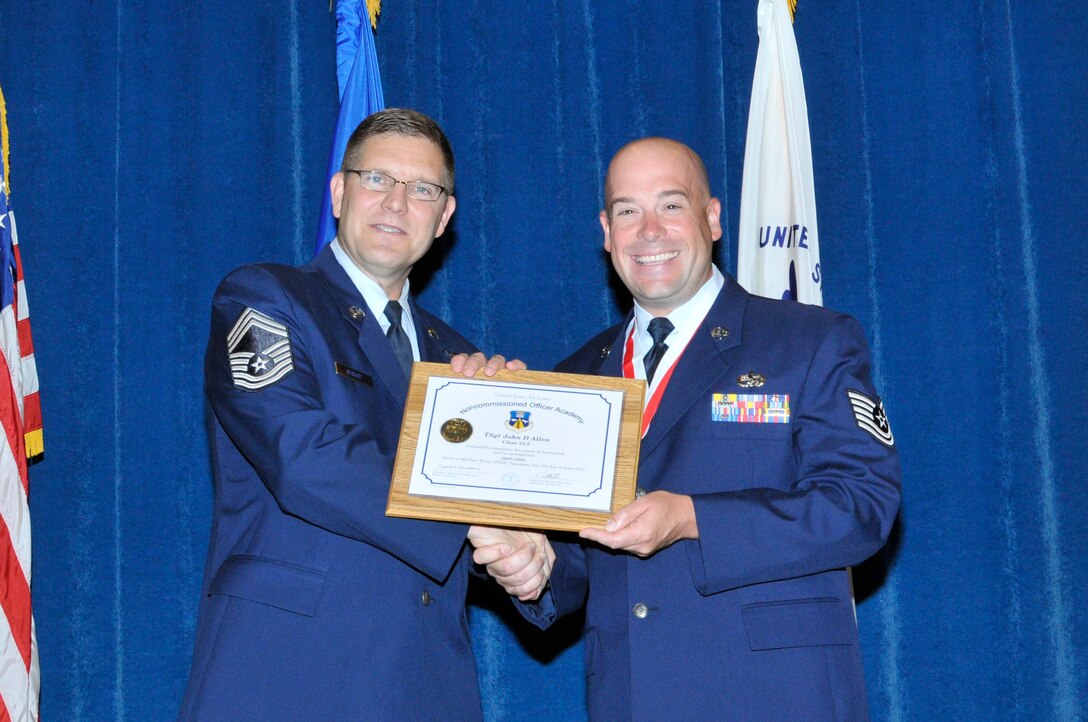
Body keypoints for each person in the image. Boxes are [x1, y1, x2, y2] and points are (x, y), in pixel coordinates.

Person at [179, 109, 553, 721]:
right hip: (286, 678)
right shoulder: (265, 298)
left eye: (422, 189)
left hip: (427, 687)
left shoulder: (461, 363)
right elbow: (302, 453)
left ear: (444, 218)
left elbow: (512, 513)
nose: (398, 202)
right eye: (377, 178)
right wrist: (469, 518)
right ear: (338, 191)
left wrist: (536, 562)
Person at [512, 137, 901, 720]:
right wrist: (527, 563)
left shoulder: (810, 340)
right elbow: (577, 563)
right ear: (605, 230)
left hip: (775, 696)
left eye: (671, 205)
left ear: (712, 218)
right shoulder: (576, 377)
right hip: (631, 697)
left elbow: (862, 508)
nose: (649, 230)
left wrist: (692, 518)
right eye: (627, 210)